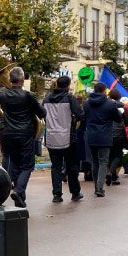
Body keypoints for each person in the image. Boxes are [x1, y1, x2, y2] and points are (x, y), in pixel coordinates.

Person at [0, 66, 45, 208]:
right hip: (25, 134)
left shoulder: (0, 96)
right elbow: (42, 113)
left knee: (14, 163)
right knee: (28, 165)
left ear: (10, 79)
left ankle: (19, 199)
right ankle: (18, 189)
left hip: (8, 133)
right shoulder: (29, 96)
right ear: (22, 79)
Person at [42, 75, 83, 203]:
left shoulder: (46, 99)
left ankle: (57, 195)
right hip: (68, 137)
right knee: (72, 166)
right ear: (68, 85)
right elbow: (80, 114)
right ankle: (75, 193)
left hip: (51, 137)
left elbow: (42, 114)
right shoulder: (70, 98)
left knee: (56, 166)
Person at [83, 82, 121, 197]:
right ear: (105, 91)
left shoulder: (86, 104)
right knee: (103, 161)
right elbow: (118, 119)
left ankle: (96, 187)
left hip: (91, 136)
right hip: (105, 136)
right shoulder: (110, 104)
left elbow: (83, 118)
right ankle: (99, 188)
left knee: (95, 162)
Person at [107, 88, 128, 184]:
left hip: (107, 133)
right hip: (120, 134)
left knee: (109, 155)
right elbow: (127, 122)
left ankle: (112, 175)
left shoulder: (106, 105)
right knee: (118, 155)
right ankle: (111, 173)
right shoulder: (123, 107)